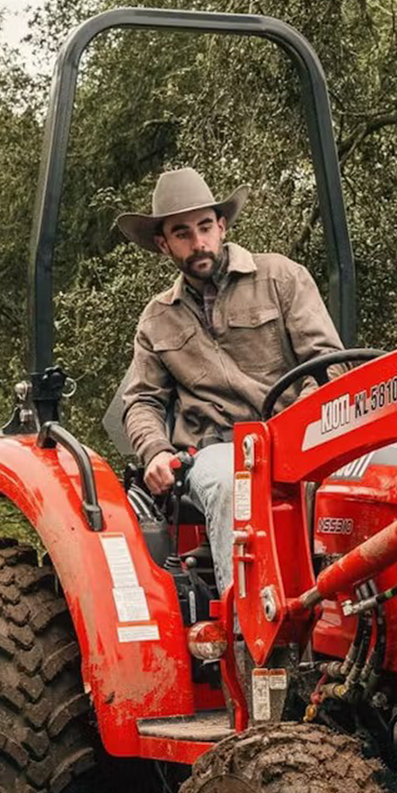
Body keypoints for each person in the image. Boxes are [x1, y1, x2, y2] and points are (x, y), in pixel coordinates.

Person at [110, 166, 342, 584]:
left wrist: (303, 427)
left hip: (297, 435)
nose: (198, 242)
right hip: (217, 449)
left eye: (204, 227)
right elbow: (142, 400)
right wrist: (156, 451)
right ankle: (248, 634)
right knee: (230, 485)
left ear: (222, 225)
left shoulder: (281, 278)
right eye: (182, 234)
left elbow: (327, 362)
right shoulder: (157, 319)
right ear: (164, 245)